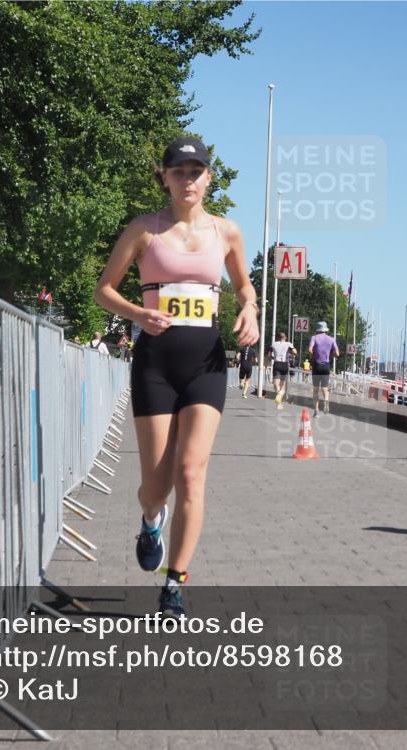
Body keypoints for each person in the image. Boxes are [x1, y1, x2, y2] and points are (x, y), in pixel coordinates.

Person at [94, 135, 259, 614]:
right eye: (179, 171)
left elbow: (245, 287)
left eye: (196, 171)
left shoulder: (227, 232)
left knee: (190, 472)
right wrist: (137, 313)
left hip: (206, 363)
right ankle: (151, 519)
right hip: (156, 365)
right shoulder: (144, 230)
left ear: (208, 178)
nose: (188, 179)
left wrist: (250, 310)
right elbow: (104, 290)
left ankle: (174, 583)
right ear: (164, 178)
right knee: (157, 485)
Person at [308, 321, 339, 416]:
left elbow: (310, 349)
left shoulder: (314, 338)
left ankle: (316, 411)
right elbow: (337, 353)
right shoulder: (332, 339)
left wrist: (313, 355)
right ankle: (326, 400)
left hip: (316, 365)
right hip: (326, 366)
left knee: (316, 389)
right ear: (326, 330)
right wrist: (331, 355)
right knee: (325, 388)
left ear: (318, 330)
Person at [268, 332, 296, 409]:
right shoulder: (288, 344)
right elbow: (295, 352)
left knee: (276, 384)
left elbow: (269, 355)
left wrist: (273, 358)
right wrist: (292, 355)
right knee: (282, 387)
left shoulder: (273, 344)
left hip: (277, 364)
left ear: (278, 337)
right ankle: (279, 395)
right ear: (285, 338)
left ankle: (278, 401)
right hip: (285, 364)